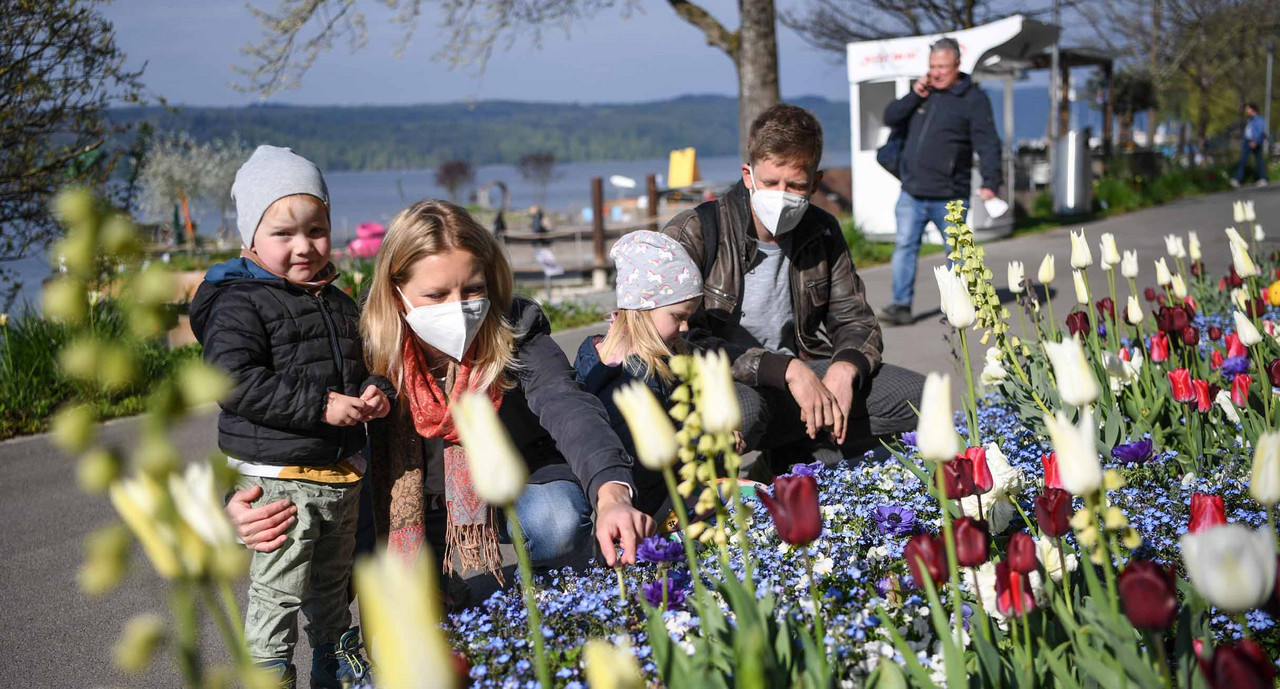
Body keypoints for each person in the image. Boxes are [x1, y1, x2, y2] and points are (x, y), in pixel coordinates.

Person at [189, 145, 392, 689]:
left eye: (317, 229)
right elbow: (232, 381)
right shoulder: (240, 303)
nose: (304, 246)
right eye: (283, 233)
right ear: (249, 238)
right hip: (280, 481)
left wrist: (374, 391)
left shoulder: (337, 300)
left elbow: (364, 367)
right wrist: (322, 405)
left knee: (330, 591)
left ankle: (333, 669)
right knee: (276, 595)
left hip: (338, 475)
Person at [660, 103, 925, 476]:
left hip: (803, 379)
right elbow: (678, 340)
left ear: (815, 184)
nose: (782, 194)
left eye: (796, 186)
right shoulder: (697, 230)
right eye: (771, 182)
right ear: (748, 174)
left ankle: (797, 459)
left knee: (921, 398)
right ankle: (709, 502)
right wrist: (784, 369)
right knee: (744, 412)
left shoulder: (822, 229)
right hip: (728, 382)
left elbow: (856, 320)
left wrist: (845, 367)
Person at [572, 230, 706, 517]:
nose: (685, 328)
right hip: (650, 504)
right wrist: (710, 443)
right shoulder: (629, 377)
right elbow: (653, 446)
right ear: (642, 308)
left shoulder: (642, 354)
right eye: (678, 317)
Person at [877, 37, 1002, 326]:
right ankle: (901, 306)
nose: (936, 73)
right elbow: (890, 117)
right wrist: (914, 94)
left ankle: (958, 306)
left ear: (957, 66)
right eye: (932, 66)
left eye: (942, 67)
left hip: (950, 194)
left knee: (957, 254)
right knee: (905, 247)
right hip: (912, 191)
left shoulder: (974, 99)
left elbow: (988, 142)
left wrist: (991, 181)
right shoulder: (924, 93)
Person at [1232, 103, 1269, 188]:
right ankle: (1238, 179)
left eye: (1248, 109)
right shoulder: (1250, 120)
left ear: (1253, 109)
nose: (1246, 111)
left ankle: (1263, 179)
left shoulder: (1259, 119)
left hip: (1254, 142)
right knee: (1243, 160)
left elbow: (1261, 131)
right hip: (1247, 142)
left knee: (1258, 160)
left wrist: (1255, 141)